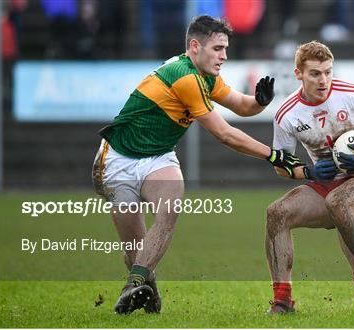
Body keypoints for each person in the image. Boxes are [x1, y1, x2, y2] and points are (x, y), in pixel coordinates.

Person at [91, 15, 303, 315]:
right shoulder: (185, 76)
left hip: (159, 157)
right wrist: (273, 155)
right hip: (118, 159)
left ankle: (132, 285)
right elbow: (224, 134)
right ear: (195, 46)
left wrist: (260, 101)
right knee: (136, 250)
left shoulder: (205, 76)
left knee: (170, 207)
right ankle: (145, 286)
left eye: (225, 48)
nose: (224, 56)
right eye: (218, 48)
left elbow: (241, 105)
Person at [265, 41, 354, 314]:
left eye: (328, 72)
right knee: (276, 213)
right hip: (325, 184)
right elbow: (280, 166)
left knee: (338, 201)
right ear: (298, 74)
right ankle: (283, 301)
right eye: (315, 73)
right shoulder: (287, 114)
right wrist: (307, 171)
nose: (323, 80)